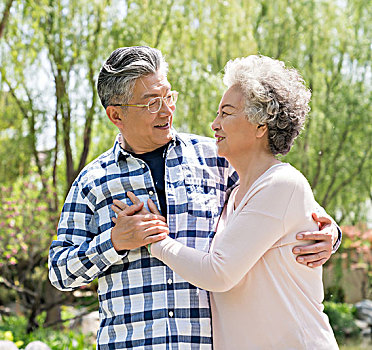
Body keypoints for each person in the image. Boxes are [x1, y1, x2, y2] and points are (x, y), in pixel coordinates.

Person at [48, 46, 339, 349]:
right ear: (116, 114)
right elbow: (59, 272)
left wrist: (330, 231)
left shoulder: (217, 161)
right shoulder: (92, 182)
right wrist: (115, 241)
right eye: (151, 104)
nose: (166, 110)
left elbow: (283, 202)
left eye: (168, 97)